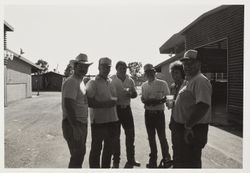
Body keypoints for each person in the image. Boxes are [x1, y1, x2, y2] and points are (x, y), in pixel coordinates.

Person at [171, 49, 212, 168]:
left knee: (190, 163)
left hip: (192, 129)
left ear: (199, 64)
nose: (186, 67)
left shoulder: (200, 80)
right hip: (183, 128)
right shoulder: (190, 80)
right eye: (185, 64)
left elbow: (203, 105)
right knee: (182, 160)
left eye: (190, 63)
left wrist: (188, 126)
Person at [86, 57, 119, 168]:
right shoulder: (93, 82)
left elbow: (114, 98)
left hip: (112, 120)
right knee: (96, 149)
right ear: (99, 67)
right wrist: (105, 104)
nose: (106, 68)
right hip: (99, 121)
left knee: (108, 149)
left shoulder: (111, 82)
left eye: (108, 67)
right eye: (104, 66)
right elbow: (89, 102)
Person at [61, 53, 92, 168]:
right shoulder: (72, 82)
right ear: (75, 66)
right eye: (81, 66)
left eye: (86, 66)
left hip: (80, 124)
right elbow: (69, 105)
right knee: (77, 156)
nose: (84, 69)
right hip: (73, 124)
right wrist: (75, 128)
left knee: (79, 154)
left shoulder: (80, 81)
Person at [141, 63, 172, 168]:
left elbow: (168, 97)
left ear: (154, 72)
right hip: (148, 114)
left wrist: (157, 102)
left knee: (162, 137)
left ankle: (166, 157)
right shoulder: (144, 85)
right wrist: (147, 101)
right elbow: (143, 99)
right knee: (151, 137)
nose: (150, 74)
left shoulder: (162, 83)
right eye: (147, 72)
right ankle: (153, 157)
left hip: (159, 114)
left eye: (151, 72)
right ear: (145, 74)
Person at [110, 61, 141, 168]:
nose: (123, 69)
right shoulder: (111, 80)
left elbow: (135, 94)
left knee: (130, 136)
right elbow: (109, 95)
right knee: (115, 137)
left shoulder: (130, 80)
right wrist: (114, 99)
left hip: (127, 110)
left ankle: (131, 159)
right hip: (115, 110)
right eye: (121, 68)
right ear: (116, 68)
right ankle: (116, 161)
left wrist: (131, 94)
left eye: (125, 68)